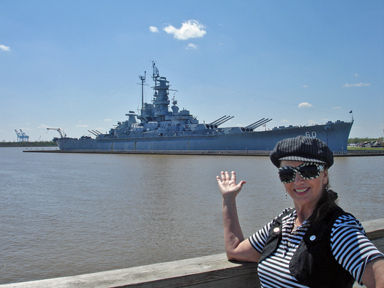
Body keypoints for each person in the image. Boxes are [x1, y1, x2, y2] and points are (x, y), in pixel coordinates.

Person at [217, 136, 384, 288]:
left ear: (324, 175)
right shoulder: (282, 223)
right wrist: (229, 199)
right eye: (287, 173)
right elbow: (235, 251)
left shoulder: (338, 228)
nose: (297, 181)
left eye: (309, 171)